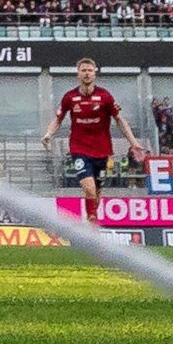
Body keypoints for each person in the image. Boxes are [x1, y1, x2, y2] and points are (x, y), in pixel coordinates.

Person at [42, 58, 148, 226]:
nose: (87, 73)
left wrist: (133, 142)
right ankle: (92, 222)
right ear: (78, 73)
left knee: (96, 192)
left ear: (95, 73)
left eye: (90, 70)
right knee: (89, 188)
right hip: (79, 149)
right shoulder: (70, 97)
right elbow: (58, 119)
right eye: (83, 70)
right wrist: (48, 134)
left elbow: (120, 120)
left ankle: (90, 216)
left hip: (102, 150)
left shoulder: (104, 96)